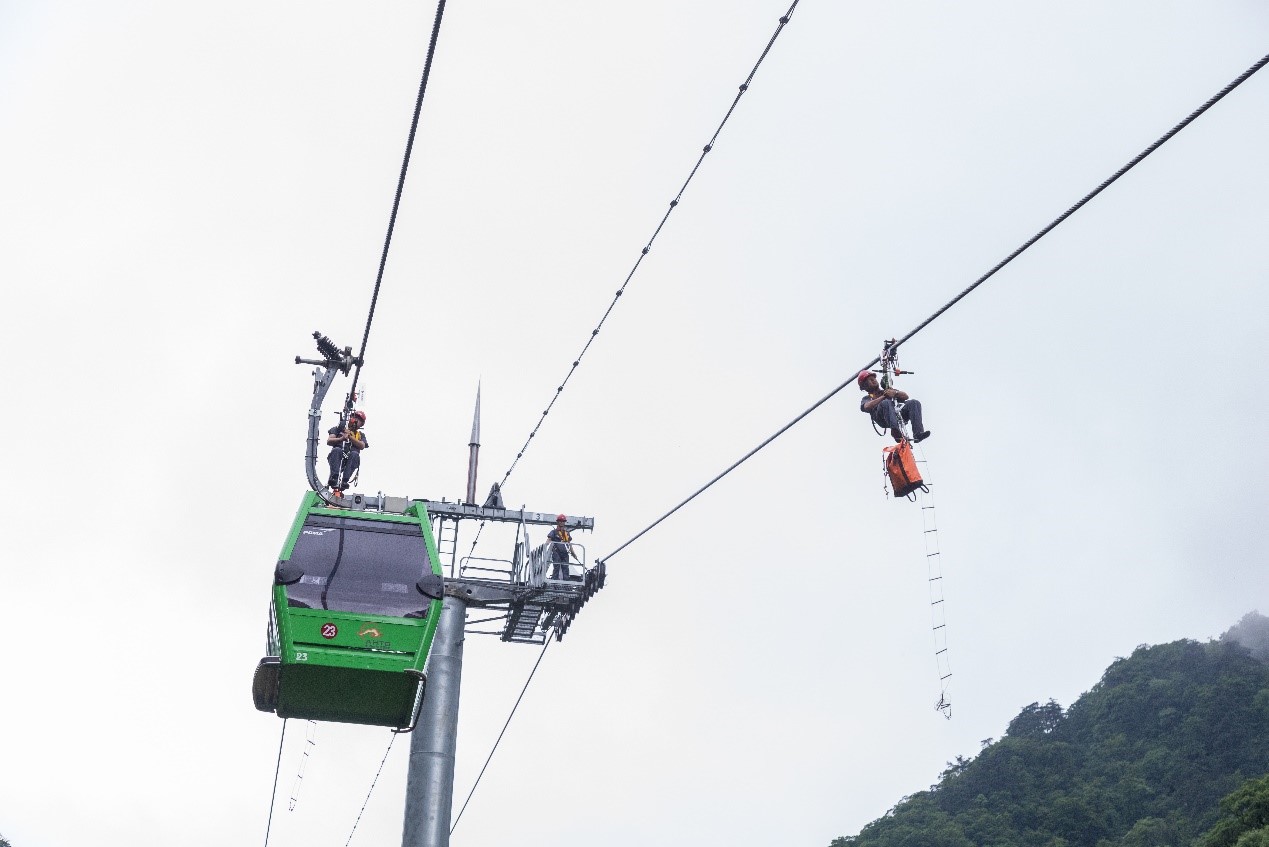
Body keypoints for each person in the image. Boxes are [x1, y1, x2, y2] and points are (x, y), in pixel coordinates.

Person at [858, 370, 931, 443]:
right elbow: (866, 406)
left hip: (896, 414)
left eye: (874, 379)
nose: (874, 381)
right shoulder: (867, 398)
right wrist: (883, 397)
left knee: (914, 403)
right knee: (886, 402)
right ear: (865, 386)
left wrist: (895, 393)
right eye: (870, 380)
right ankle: (895, 431)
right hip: (882, 419)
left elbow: (905, 396)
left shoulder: (887, 391)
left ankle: (918, 433)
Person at [327, 410, 369, 492]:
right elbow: (329, 441)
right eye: (354, 417)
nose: (355, 420)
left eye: (359, 419)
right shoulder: (338, 429)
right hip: (338, 456)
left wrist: (350, 437)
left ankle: (345, 481)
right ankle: (334, 477)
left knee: (354, 454)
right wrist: (341, 438)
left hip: (351, 459)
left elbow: (362, 445)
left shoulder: (360, 435)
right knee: (337, 450)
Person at [547, 514, 580, 580]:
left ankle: (566, 580)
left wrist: (573, 553)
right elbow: (549, 540)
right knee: (556, 566)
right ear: (558, 522)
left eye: (563, 521)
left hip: (565, 553)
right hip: (557, 553)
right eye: (560, 521)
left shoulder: (566, 533)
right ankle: (555, 580)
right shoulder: (554, 532)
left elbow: (569, 544)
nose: (562, 522)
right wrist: (545, 546)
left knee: (565, 568)